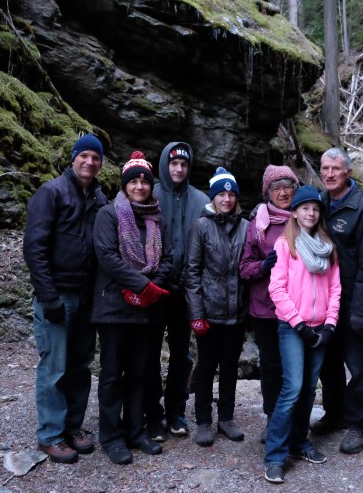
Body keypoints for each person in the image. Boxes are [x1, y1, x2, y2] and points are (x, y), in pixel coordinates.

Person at [23, 133, 107, 464]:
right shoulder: (52, 192)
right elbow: (35, 247)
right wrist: (48, 296)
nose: (89, 162)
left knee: (80, 365)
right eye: (84, 155)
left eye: (96, 158)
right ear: (73, 159)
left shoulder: (99, 199)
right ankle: (50, 435)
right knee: (54, 366)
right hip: (57, 294)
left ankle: (73, 427)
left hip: (87, 297)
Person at [91, 151, 173, 465]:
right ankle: (112, 437)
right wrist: (141, 285)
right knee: (113, 374)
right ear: (125, 184)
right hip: (114, 306)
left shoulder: (157, 217)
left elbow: (166, 258)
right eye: (134, 181)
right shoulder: (109, 215)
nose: (139, 186)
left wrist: (154, 288)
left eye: (144, 181)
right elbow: (107, 257)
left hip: (147, 309)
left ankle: (135, 430)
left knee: (141, 371)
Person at [263, 185, 341, 484]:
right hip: (292, 328)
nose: (311, 212)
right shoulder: (285, 245)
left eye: (315, 208)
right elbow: (277, 289)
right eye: (305, 207)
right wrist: (298, 325)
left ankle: (300, 441)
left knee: (309, 389)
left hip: (321, 327)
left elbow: (335, 289)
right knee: (292, 388)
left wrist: (331, 324)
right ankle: (275, 456)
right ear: (294, 212)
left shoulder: (327, 246)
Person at [312, 147, 363, 455]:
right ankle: (335, 413)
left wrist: (360, 310)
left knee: (356, 365)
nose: (329, 174)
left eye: (335, 169)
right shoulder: (319, 203)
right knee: (328, 363)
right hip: (324, 299)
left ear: (348, 173)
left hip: (352, 300)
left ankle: (359, 424)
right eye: (325, 168)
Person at [145, 142, 209, 441]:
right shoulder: (150, 194)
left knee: (182, 355)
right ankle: (152, 414)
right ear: (165, 165)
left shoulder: (201, 200)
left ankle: (176, 411)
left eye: (184, 164)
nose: (179, 169)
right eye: (174, 164)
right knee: (149, 353)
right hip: (155, 288)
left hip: (186, 292)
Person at [183, 167, 249, 447]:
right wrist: (196, 314)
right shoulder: (201, 226)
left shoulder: (245, 226)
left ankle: (226, 419)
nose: (226, 198)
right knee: (207, 366)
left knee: (231, 367)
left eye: (231, 193)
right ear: (213, 197)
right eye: (221, 193)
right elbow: (192, 272)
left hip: (237, 313)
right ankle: (203, 422)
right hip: (209, 312)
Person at [239, 165, 300, 443]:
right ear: (268, 193)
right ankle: (272, 419)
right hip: (266, 309)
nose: (283, 192)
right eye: (277, 188)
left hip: (299, 308)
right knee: (272, 366)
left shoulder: (306, 217)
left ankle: (296, 421)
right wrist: (264, 266)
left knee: (295, 366)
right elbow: (245, 268)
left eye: (288, 186)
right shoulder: (258, 223)